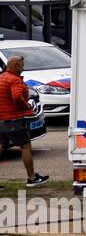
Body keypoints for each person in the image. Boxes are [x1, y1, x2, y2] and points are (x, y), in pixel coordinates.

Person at [0, 56, 48, 187]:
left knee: (1, 146)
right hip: (14, 120)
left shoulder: (2, 77)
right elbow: (17, 97)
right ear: (15, 66)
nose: (23, 68)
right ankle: (32, 178)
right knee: (25, 147)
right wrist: (26, 106)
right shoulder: (15, 80)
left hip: (1, 120)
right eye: (21, 65)